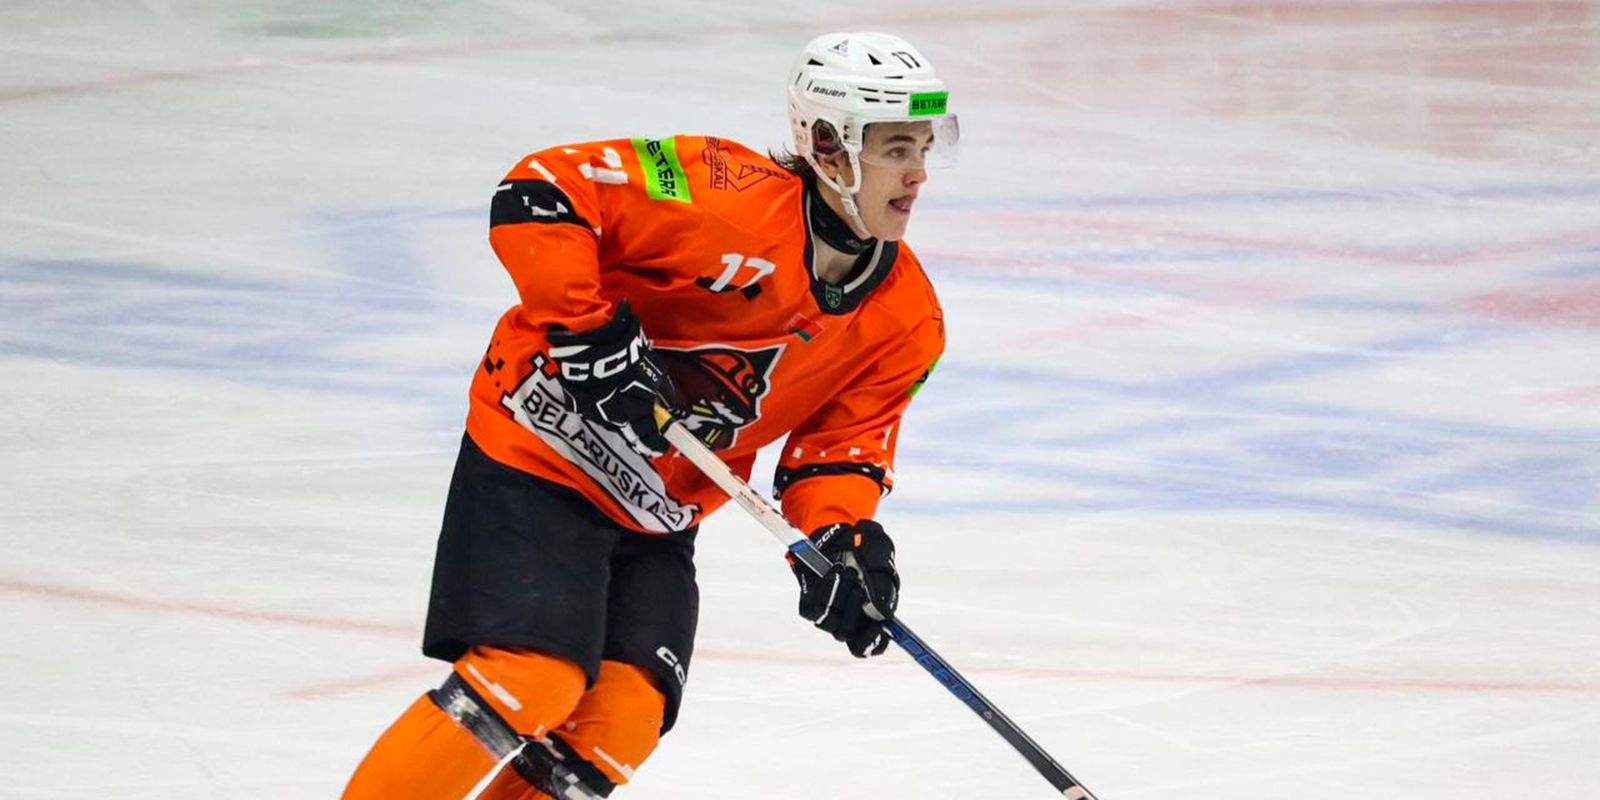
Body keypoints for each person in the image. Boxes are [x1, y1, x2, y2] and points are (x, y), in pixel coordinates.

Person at [341, 31, 958, 800]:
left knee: (622, 719)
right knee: (531, 677)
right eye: (896, 149)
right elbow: (542, 192)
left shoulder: (908, 320)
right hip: (542, 448)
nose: (919, 172)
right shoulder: (720, 189)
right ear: (829, 146)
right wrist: (584, 330)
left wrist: (840, 539)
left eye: (925, 147)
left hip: (659, 508)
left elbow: (839, 452)